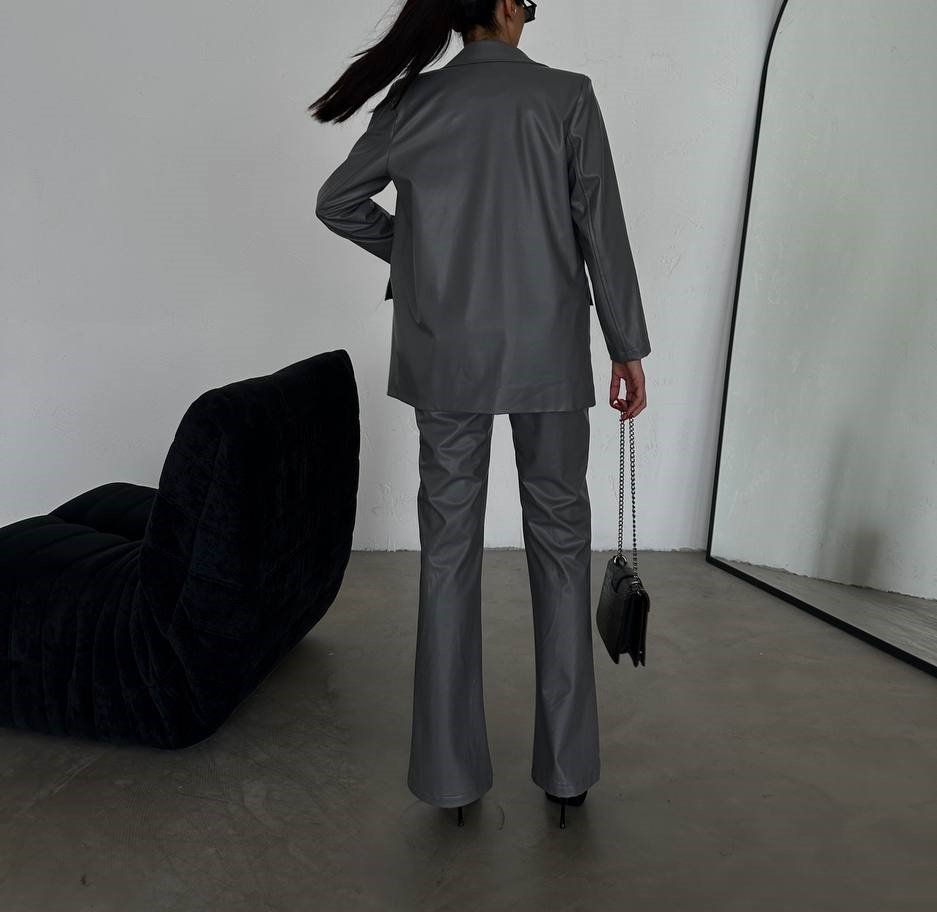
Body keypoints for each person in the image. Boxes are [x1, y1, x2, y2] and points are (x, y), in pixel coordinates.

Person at [310, 0, 650, 828]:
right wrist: (625, 346)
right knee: (561, 547)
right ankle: (566, 772)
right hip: (547, 353)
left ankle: (449, 778)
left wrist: (422, 259)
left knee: (446, 556)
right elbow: (599, 227)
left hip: (444, 355)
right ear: (503, 5)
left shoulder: (411, 101)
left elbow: (338, 201)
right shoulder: (566, 96)